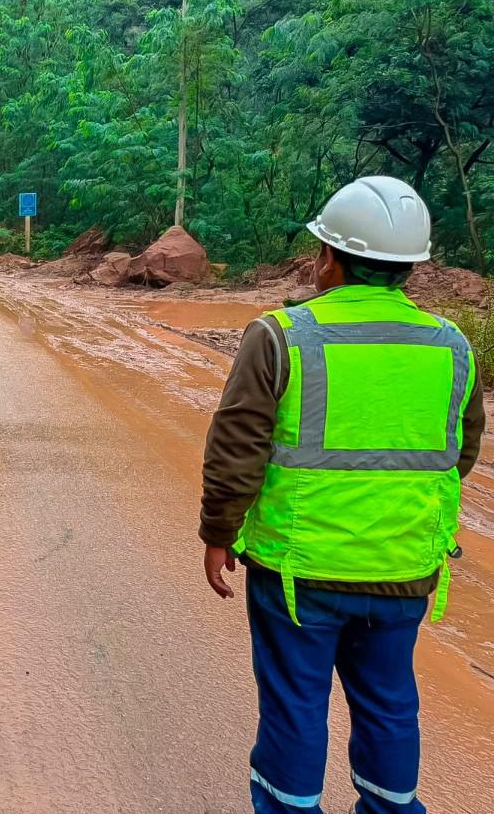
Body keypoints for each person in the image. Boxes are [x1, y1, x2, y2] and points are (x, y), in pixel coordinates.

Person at [199, 176, 484, 814]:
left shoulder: (280, 336)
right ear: (411, 266)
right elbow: (456, 456)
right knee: (389, 705)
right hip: (404, 571)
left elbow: (236, 451)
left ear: (328, 258)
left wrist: (219, 534)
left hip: (299, 573)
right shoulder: (453, 347)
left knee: (296, 706)